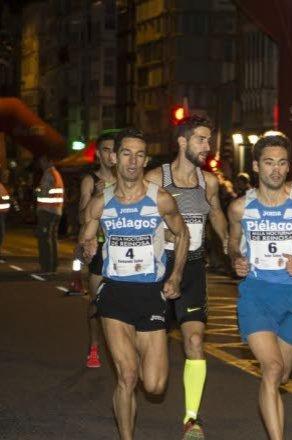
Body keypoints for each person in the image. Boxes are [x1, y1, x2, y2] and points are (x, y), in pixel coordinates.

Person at [79, 128, 190, 440]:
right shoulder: (101, 202)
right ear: (114, 158)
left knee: (154, 385)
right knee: (127, 375)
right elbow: (86, 238)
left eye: (140, 155)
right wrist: (86, 249)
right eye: (126, 153)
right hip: (114, 292)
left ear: (146, 160)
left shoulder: (161, 199)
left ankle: (143, 354)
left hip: (151, 294)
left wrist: (177, 274)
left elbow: (182, 235)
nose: (132, 160)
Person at [227, 133, 292, 440]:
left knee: (282, 374)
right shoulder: (239, 208)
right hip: (256, 295)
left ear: (288, 168)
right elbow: (232, 244)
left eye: (282, 163)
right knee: (271, 369)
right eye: (269, 163)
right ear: (256, 166)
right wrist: (236, 260)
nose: (276, 169)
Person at [145, 115, 228, 438]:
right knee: (152, 347)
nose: (207, 146)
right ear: (182, 141)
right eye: (201, 140)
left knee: (194, 340)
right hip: (156, 267)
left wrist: (229, 245)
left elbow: (217, 214)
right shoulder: (156, 177)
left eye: (208, 140)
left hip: (193, 267)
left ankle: (191, 418)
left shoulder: (208, 182)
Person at [78, 130, 117, 369]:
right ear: (99, 155)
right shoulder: (90, 180)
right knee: (97, 302)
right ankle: (94, 346)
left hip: (124, 246)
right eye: (106, 149)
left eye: (115, 149)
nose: (111, 154)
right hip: (100, 246)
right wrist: (97, 195)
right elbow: (83, 217)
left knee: (125, 301)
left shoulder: (130, 178)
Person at [35, 155, 64, 274]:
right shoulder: (56, 174)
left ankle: (46, 267)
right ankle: (53, 266)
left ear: (49, 161)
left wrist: (37, 191)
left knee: (44, 239)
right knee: (52, 238)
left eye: (42, 161)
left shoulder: (48, 174)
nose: (41, 165)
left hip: (47, 210)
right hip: (56, 210)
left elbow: (43, 192)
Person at [0, 172, 11, 260]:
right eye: (5, 175)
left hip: (2, 213)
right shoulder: (2, 186)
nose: (6, 177)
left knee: (1, 232)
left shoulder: (3, 186)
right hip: (1, 213)